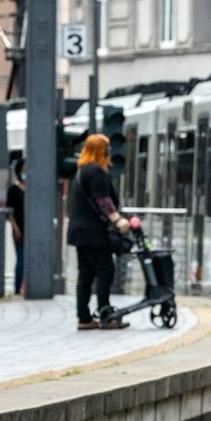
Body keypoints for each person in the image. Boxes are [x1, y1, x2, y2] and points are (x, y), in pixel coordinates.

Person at [68, 133, 139, 330]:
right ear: (101, 151)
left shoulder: (82, 171)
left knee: (85, 275)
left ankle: (84, 317)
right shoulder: (97, 172)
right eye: (106, 149)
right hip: (94, 233)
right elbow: (103, 200)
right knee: (105, 271)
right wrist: (118, 220)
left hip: (80, 233)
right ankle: (106, 313)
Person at [7, 155, 26, 296]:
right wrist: (15, 229)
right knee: (21, 260)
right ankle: (17, 289)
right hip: (19, 230)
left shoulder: (34, 188)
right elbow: (9, 212)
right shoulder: (13, 189)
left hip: (32, 230)